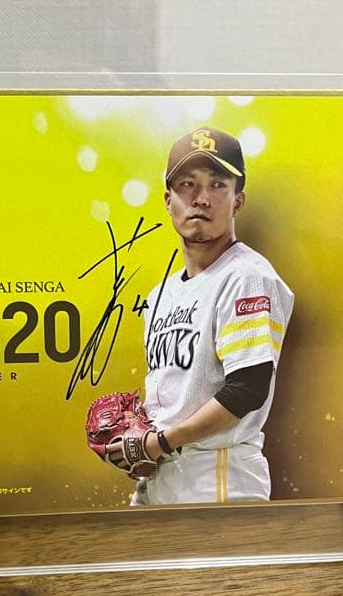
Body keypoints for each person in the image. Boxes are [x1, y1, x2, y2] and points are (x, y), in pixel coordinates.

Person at [108, 126, 294, 505]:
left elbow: (248, 388)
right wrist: (135, 435)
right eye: (188, 184)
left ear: (238, 201)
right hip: (162, 473)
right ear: (168, 200)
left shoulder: (246, 276)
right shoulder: (160, 295)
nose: (202, 198)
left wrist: (159, 442)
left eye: (217, 185)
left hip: (219, 476)